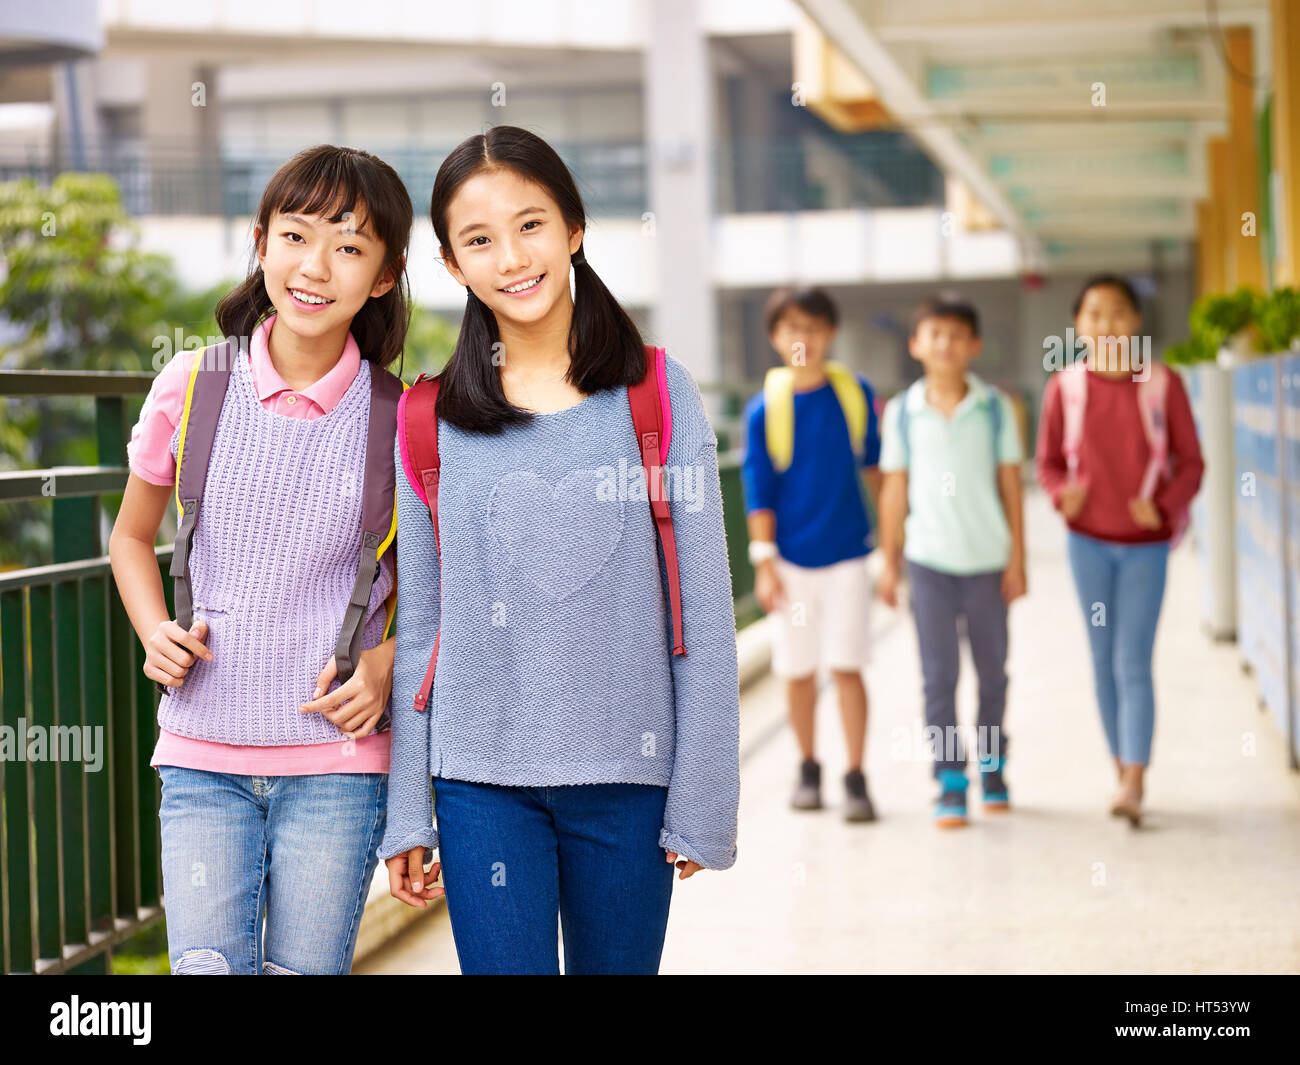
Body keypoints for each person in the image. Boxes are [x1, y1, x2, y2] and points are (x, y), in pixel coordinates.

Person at [378, 126, 740, 975]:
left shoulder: (658, 393)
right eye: (479, 238)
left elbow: (706, 614)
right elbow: (422, 624)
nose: (512, 256)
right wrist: (407, 812)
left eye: (531, 224)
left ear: (574, 226)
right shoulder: (428, 419)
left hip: (630, 779)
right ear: (451, 262)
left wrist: (704, 796)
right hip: (480, 786)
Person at [108, 144, 412, 974]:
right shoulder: (191, 385)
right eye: (295, 235)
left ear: (384, 276)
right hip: (203, 753)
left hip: (340, 767)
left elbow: (448, 589)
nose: (315, 267)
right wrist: (151, 629)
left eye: (350, 247)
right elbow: (131, 536)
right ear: (260, 241)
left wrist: (385, 662)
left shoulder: (404, 418)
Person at [1036, 274, 1204, 826]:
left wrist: (1164, 507)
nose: (1105, 324)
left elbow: (1192, 462)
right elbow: (1047, 466)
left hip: (1144, 549)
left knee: (1132, 661)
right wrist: (1064, 495)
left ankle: (1134, 778)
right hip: (1087, 544)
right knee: (1101, 661)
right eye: (1093, 314)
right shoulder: (1065, 388)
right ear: (1078, 326)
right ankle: (1120, 770)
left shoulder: (1162, 384)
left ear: (1135, 322)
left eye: (1116, 313)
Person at [877, 298, 1026, 828]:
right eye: (934, 334)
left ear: (974, 346)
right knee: (939, 677)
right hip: (928, 564)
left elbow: (1011, 484)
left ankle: (992, 764)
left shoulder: (994, 408)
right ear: (916, 345)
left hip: (987, 561)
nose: (945, 344)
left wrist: (1018, 560)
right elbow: (895, 489)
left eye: (957, 335)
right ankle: (950, 777)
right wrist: (890, 564)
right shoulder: (901, 411)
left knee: (992, 676)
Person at [740, 287, 882, 821]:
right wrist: (765, 562)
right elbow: (759, 491)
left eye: (815, 327)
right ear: (776, 337)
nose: (805, 338)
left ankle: (856, 775)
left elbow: (876, 469)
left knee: (848, 667)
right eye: (793, 328)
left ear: (831, 333)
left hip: (848, 554)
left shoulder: (855, 395)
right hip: (791, 562)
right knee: (797, 671)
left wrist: (892, 547)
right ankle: (807, 766)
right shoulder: (764, 411)